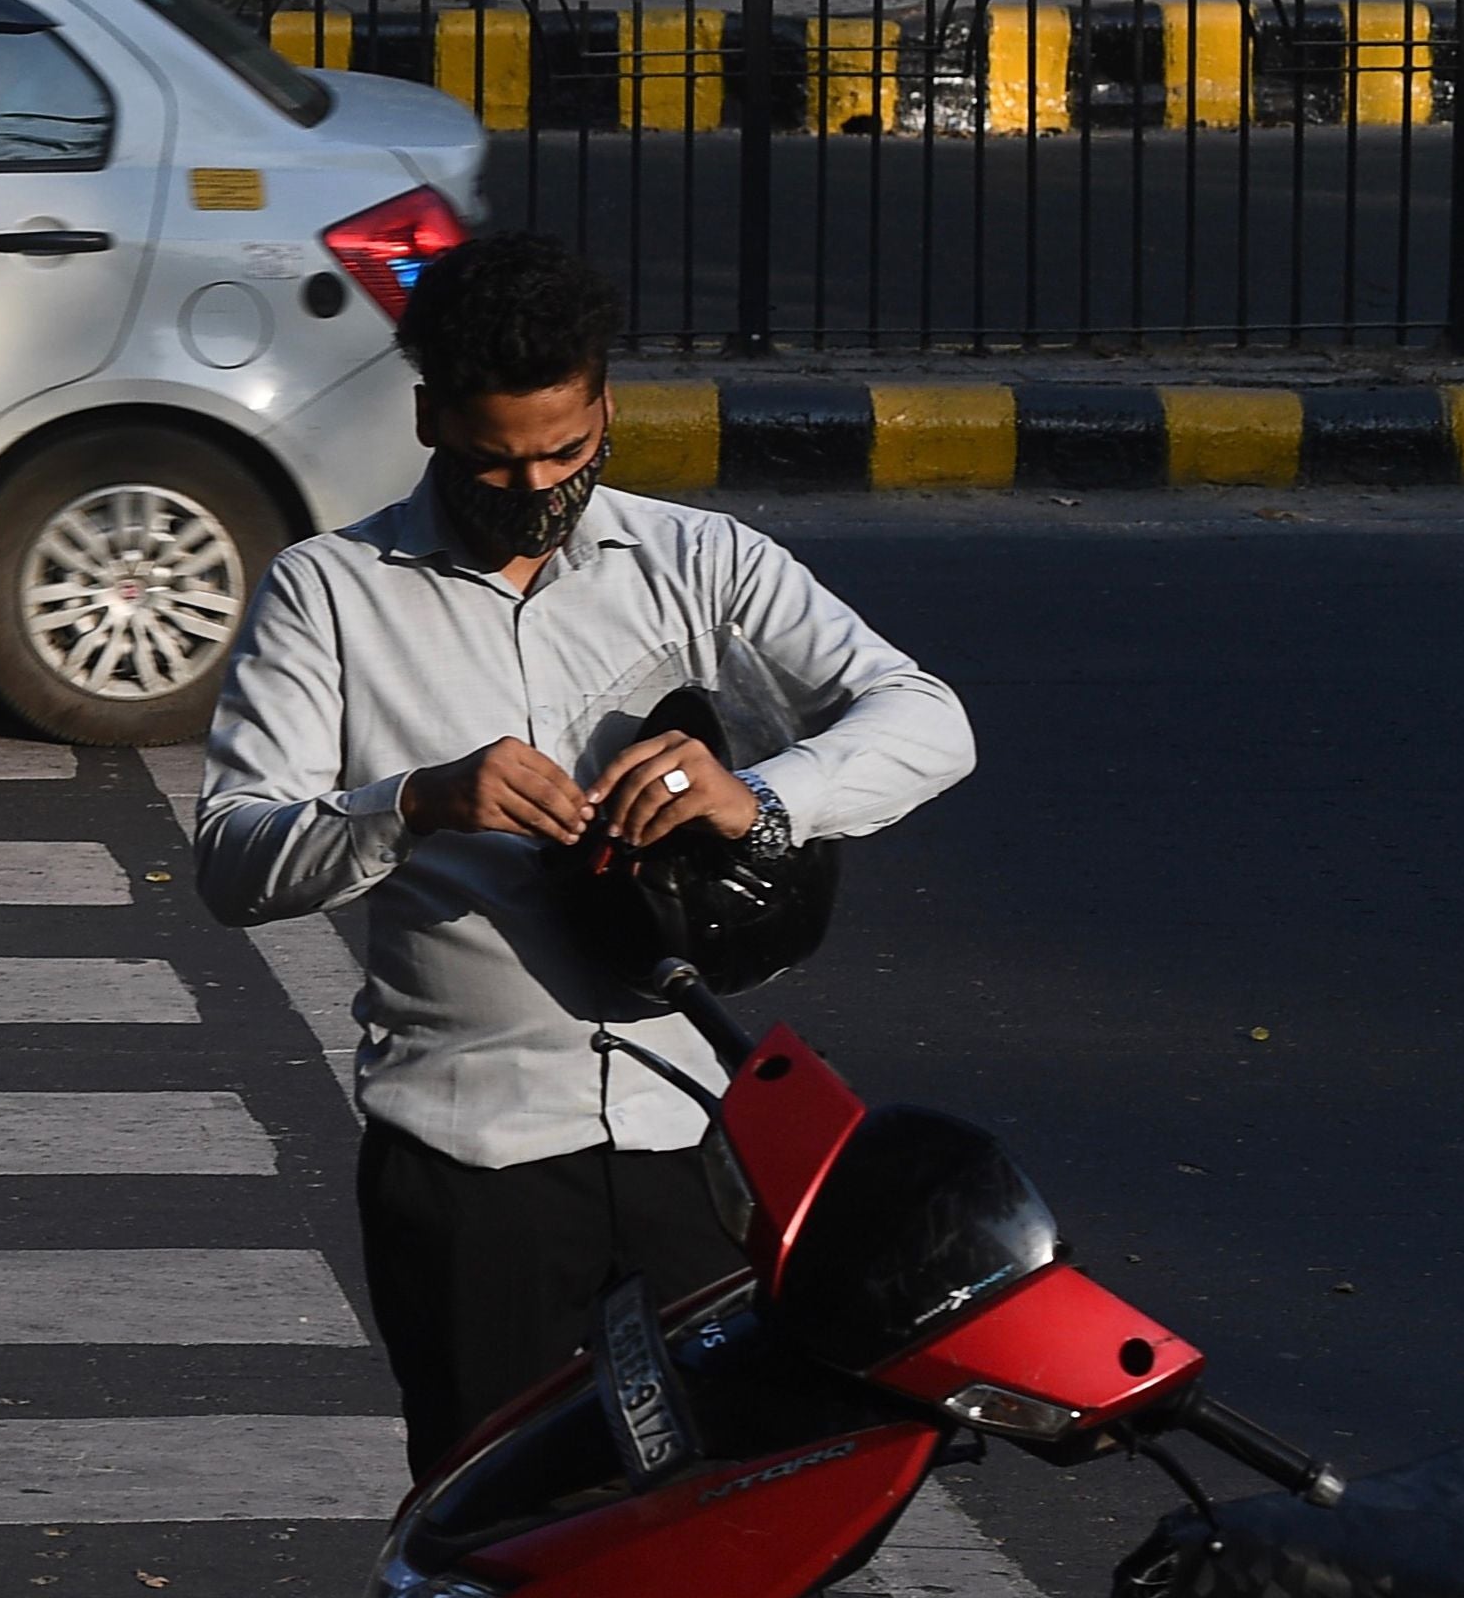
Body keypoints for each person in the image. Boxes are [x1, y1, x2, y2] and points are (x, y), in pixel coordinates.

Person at [189, 236, 977, 1474]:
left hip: (687, 1144)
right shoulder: (326, 594)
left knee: (731, 1521)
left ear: (603, 405)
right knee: (499, 1526)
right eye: (496, 461)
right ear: (427, 418)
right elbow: (235, 860)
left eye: (566, 451)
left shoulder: (697, 563)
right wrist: (418, 801)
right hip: (466, 1162)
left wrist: (751, 793)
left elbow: (927, 719)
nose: (536, 486)